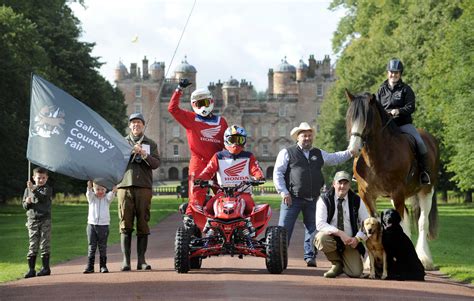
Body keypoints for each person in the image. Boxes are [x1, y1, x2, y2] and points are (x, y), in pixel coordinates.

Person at [273, 122, 353, 267]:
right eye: (304, 136)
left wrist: (350, 152)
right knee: (283, 230)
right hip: (292, 198)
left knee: (313, 229)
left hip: (314, 199)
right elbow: (278, 173)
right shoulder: (287, 152)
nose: (308, 138)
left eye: (310, 136)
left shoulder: (318, 153)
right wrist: (283, 192)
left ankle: (310, 256)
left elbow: (334, 158)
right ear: (298, 137)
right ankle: (279, 258)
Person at [168, 79, 228, 220]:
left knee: (225, 194)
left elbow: (227, 144)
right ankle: (191, 221)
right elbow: (173, 109)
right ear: (194, 105)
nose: (203, 107)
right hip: (199, 162)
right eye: (199, 104)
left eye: (205, 103)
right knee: (196, 197)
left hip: (217, 163)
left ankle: (224, 222)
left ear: (211, 102)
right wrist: (179, 89)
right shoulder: (191, 118)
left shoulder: (221, 121)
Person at [376, 58, 431, 185]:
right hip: (385, 126)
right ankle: (360, 170)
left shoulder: (406, 89)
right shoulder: (381, 90)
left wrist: (398, 111)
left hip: (403, 124)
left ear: (400, 74)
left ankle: (424, 172)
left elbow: (411, 107)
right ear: (387, 73)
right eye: (391, 72)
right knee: (366, 139)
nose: (393, 75)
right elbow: (376, 108)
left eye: (396, 72)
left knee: (420, 142)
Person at [117, 113, 160, 271]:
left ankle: (141, 260)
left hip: (143, 186)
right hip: (125, 186)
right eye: (133, 123)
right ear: (130, 126)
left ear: (143, 125)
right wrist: (129, 152)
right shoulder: (122, 142)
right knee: (125, 224)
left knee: (143, 223)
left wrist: (144, 154)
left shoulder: (151, 143)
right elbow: (114, 160)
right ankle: (126, 261)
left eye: (139, 123)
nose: (136, 125)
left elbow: (156, 164)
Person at [196, 125, 264, 216]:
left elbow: (255, 169)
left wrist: (259, 177)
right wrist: (200, 179)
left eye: (239, 140)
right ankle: (209, 229)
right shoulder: (218, 156)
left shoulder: (248, 156)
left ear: (244, 142)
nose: (235, 144)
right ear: (226, 140)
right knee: (208, 208)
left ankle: (249, 230)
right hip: (223, 193)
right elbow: (209, 170)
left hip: (243, 193)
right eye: (232, 140)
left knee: (250, 209)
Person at [314, 171, 369, 278]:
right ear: (334, 184)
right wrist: (339, 233)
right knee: (321, 239)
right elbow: (320, 224)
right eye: (340, 183)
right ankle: (337, 264)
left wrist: (357, 238)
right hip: (331, 238)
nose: (342, 186)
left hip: (350, 241)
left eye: (345, 183)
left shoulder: (356, 200)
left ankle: (344, 263)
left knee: (355, 273)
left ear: (349, 185)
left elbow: (366, 223)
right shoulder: (324, 199)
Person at [22, 167, 53, 278]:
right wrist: (27, 202)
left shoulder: (47, 189)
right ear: (33, 178)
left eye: (43, 178)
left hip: (45, 219)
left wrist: (34, 190)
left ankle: (46, 268)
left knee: (45, 243)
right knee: (33, 244)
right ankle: (31, 269)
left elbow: (43, 199)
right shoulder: (28, 190)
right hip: (32, 220)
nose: (41, 180)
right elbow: (25, 206)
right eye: (39, 178)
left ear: (47, 178)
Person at [83, 181, 117, 274]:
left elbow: (112, 193)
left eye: (102, 189)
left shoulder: (107, 199)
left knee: (102, 247)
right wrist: (89, 187)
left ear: (106, 190)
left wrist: (114, 189)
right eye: (98, 189)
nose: (100, 191)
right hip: (91, 225)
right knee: (91, 247)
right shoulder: (92, 198)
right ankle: (90, 266)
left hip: (103, 226)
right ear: (94, 190)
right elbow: (89, 193)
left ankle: (103, 266)